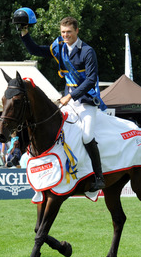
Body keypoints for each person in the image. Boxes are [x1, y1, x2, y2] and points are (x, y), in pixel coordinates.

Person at [16, 10, 106, 191]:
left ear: (77, 31)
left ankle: (99, 177)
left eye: (69, 32)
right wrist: (24, 32)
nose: (65, 35)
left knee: (87, 135)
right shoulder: (59, 46)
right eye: (63, 32)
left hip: (86, 100)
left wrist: (70, 96)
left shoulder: (88, 52)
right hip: (68, 100)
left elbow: (90, 80)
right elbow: (35, 50)